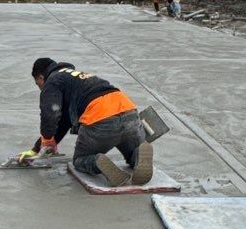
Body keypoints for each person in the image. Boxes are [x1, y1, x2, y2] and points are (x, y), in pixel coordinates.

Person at [26, 57, 153, 186]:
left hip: (101, 117)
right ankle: (138, 153)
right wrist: (38, 147)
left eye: (38, 84)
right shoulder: (76, 78)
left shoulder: (52, 81)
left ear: (41, 77)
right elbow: (64, 122)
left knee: (80, 160)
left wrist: (47, 138)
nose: (40, 88)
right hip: (129, 111)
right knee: (132, 157)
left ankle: (97, 161)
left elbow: (51, 113)